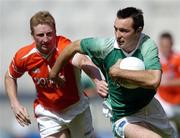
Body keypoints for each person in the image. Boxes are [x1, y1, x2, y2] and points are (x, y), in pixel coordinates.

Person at [49, 7, 176, 138]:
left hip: (150, 107)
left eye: (124, 31)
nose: (118, 35)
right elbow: (74, 46)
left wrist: (118, 72)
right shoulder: (105, 47)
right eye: (116, 29)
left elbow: (154, 80)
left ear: (138, 31)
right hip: (123, 116)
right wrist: (54, 73)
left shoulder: (147, 46)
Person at [4, 11, 107, 138]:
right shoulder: (24, 56)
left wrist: (97, 81)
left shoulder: (64, 47)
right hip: (48, 112)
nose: (45, 39)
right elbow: (10, 76)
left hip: (76, 108)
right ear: (32, 35)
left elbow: (83, 61)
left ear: (55, 31)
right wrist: (15, 104)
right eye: (40, 35)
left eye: (49, 34)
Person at [157, 32, 180, 136]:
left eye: (167, 45)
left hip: (178, 102)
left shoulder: (177, 58)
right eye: (163, 46)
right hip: (164, 103)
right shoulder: (155, 61)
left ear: (172, 44)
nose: (165, 48)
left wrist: (167, 82)